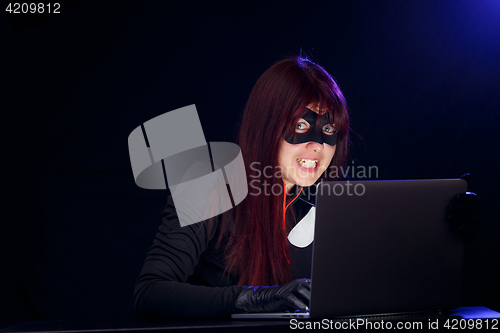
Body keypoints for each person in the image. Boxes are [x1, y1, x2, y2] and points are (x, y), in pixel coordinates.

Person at [133, 56, 479, 319]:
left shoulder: (322, 205)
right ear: (268, 125)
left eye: (329, 132)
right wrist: (255, 298)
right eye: (301, 125)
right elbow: (150, 293)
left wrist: (444, 231)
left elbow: (382, 290)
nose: (317, 147)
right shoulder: (209, 182)